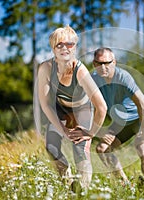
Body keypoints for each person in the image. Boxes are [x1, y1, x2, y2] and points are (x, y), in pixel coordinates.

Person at [37, 25, 107, 190]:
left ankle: (82, 189)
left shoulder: (80, 71)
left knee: (80, 149)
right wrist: (62, 129)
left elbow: (101, 107)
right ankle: (68, 182)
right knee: (52, 147)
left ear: (75, 46)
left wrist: (90, 133)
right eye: (59, 44)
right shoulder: (46, 68)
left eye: (69, 44)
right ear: (53, 48)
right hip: (60, 109)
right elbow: (46, 104)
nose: (64, 48)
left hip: (81, 110)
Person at [90, 47, 144, 189]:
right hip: (121, 121)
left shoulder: (123, 77)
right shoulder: (93, 80)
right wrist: (100, 131)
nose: (103, 67)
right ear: (94, 64)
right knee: (102, 148)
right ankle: (126, 186)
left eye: (107, 63)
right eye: (99, 63)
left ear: (114, 62)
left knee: (142, 146)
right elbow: (89, 109)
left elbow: (143, 107)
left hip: (142, 116)